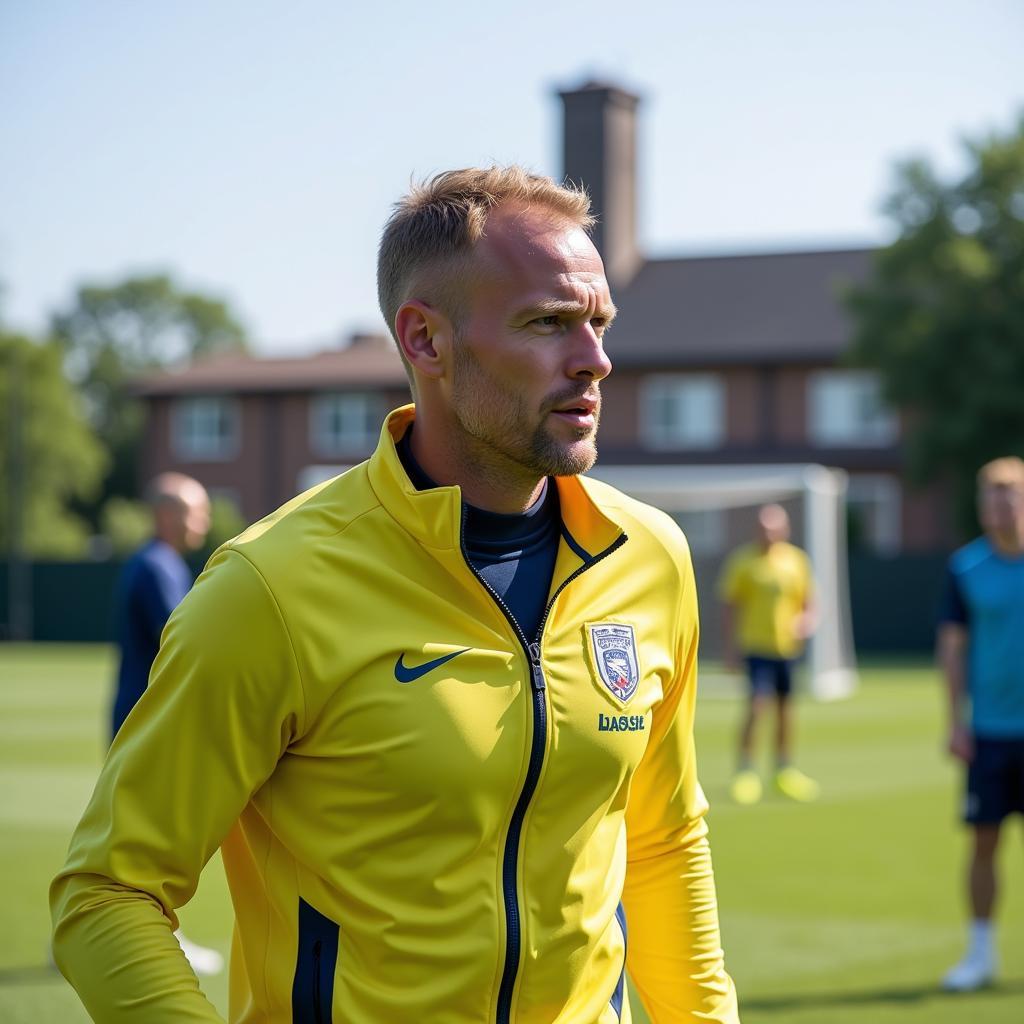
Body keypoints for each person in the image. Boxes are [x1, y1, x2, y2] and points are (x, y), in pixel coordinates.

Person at [51, 167, 739, 1022]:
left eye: (599, 323)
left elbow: (663, 840)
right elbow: (108, 893)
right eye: (550, 323)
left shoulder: (651, 558)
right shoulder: (272, 589)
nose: (594, 360)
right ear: (426, 341)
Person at [109, 471, 224, 977]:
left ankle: (78, 931)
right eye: (193, 509)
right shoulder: (158, 567)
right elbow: (186, 643)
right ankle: (161, 942)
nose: (204, 518)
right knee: (154, 841)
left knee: (130, 836)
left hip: (136, 716)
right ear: (165, 514)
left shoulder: (154, 564)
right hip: (151, 721)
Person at [938, 456, 1024, 992]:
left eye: (1011, 493)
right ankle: (980, 953)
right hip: (990, 733)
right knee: (983, 844)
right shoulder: (965, 568)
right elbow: (952, 648)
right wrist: (956, 721)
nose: (1002, 504)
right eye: (992, 494)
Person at [718, 504, 818, 805]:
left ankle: (783, 770)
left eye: (773, 528)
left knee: (786, 710)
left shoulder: (797, 561)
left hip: (786, 647)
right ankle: (745, 772)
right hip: (755, 645)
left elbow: (809, 602)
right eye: (763, 528)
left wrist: (806, 622)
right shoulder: (743, 562)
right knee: (756, 707)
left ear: (784, 530)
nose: (768, 533)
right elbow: (729, 607)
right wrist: (729, 649)